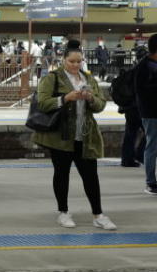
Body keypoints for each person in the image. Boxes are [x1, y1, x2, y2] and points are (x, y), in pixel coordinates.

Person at [33, 41, 116, 230]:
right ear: (63, 60)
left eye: (79, 61)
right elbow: (43, 104)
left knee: (91, 176)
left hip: (85, 136)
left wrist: (91, 98)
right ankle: (63, 212)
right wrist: (65, 98)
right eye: (72, 61)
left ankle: (98, 214)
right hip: (60, 137)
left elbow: (101, 105)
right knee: (62, 174)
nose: (76, 65)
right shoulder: (52, 78)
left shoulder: (88, 79)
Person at [136, 33, 157, 196]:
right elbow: (141, 92)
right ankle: (151, 182)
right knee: (152, 146)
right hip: (151, 113)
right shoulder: (144, 66)